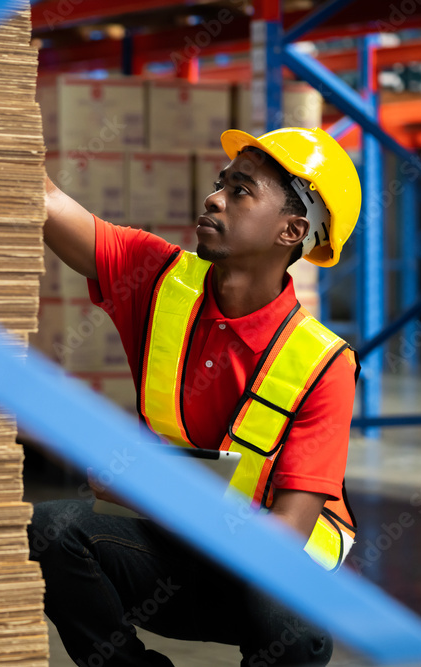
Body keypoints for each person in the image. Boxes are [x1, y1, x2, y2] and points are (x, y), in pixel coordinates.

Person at [27, 127, 363, 667]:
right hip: (178, 562)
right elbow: (43, 201)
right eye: (220, 183)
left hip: (268, 579)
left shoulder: (324, 365)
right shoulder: (158, 278)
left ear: (292, 230)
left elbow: (285, 536)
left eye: (241, 191)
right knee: (52, 533)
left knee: (293, 627)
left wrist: (143, 491)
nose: (213, 198)